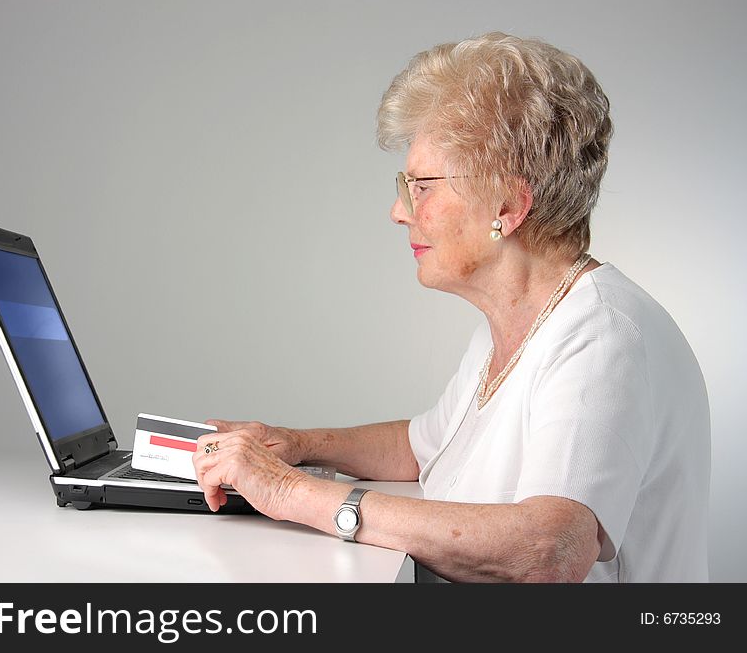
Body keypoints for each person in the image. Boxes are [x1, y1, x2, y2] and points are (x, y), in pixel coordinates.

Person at [191, 32, 710, 582]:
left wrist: (287, 490)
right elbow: (421, 448)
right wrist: (296, 444)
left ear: (507, 206)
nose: (399, 210)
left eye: (422, 186)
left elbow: (549, 549)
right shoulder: (516, 321)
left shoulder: (603, 339)